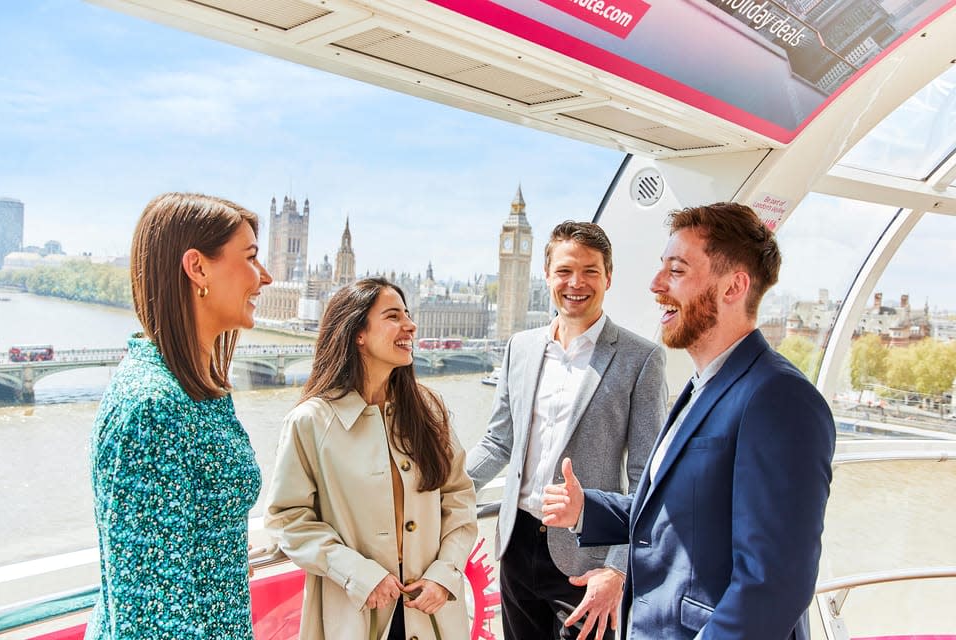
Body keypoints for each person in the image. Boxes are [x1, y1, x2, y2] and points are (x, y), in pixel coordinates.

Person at [542, 202, 836, 640]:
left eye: (676, 271)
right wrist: (587, 509)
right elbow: (679, 517)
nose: (656, 284)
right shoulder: (702, 387)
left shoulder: (779, 399)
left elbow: (773, 584)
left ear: (734, 286)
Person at [467, 221, 668, 640]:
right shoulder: (519, 348)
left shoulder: (641, 359)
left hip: (587, 561)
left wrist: (616, 568)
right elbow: (497, 441)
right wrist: (437, 491)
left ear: (608, 277)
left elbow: (647, 478)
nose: (576, 283)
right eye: (564, 271)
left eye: (590, 271)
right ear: (548, 275)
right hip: (517, 545)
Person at [86, 192, 273, 639]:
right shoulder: (153, 409)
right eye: (250, 258)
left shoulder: (195, 389)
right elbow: (152, 618)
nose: (264, 277)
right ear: (198, 268)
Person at [264, 277, 477, 640]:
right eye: (393, 316)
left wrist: (445, 574)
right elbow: (287, 519)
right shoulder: (311, 422)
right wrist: (357, 573)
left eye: (408, 315)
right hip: (354, 610)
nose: (410, 325)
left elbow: (459, 500)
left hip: (429, 611)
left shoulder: (428, 411)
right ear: (357, 333)